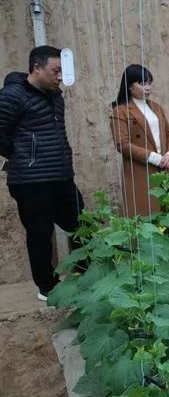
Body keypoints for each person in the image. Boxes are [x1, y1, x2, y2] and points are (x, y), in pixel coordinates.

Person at [0, 45, 85, 301]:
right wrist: (22, 155)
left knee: (82, 225)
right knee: (40, 234)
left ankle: (89, 274)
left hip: (61, 175)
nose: (59, 76)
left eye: (61, 71)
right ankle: (47, 288)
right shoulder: (12, 95)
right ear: (36, 68)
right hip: (30, 181)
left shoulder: (55, 95)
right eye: (55, 70)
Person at [110, 64, 169, 218]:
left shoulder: (157, 107)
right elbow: (122, 144)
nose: (147, 88)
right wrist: (154, 157)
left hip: (164, 167)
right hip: (140, 170)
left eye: (149, 83)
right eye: (142, 83)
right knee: (147, 217)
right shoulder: (120, 110)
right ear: (129, 86)